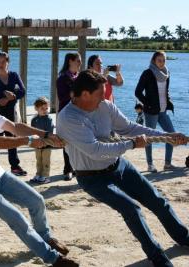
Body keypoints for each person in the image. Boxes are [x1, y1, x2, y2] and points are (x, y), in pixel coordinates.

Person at [57, 70, 189, 267]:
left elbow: (129, 128)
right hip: (92, 178)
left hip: (119, 166)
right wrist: (132, 145)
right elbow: (96, 151)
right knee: (132, 209)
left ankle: (184, 238)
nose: (104, 97)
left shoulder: (105, 105)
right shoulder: (68, 118)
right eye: (100, 94)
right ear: (84, 94)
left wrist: (167, 135)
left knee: (157, 200)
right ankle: (157, 257)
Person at [0, 77, 79, 267]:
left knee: (37, 201)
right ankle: (53, 259)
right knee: (17, 219)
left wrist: (44, 135)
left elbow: (14, 127)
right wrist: (27, 142)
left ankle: (45, 238)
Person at [135, 51, 177, 173]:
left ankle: (167, 164)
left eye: (163, 60)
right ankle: (150, 165)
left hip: (163, 111)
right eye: (159, 60)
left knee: (172, 135)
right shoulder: (147, 73)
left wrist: (168, 100)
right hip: (151, 112)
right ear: (154, 60)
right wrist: (147, 103)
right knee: (149, 138)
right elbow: (137, 92)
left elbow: (165, 90)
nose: (162, 62)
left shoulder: (166, 73)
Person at [0, 52, 27, 176]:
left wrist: (12, 96)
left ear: (8, 62)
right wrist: (1, 98)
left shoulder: (14, 75)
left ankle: (14, 166)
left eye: (3, 61)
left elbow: (22, 91)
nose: (1, 64)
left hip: (11, 111)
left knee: (12, 138)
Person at [56, 52, 81, 181]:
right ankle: (68, 169)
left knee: (78, 142)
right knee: (66, 142)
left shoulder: (79, 77)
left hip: (79, 113)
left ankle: (78, 167)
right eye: (78, 60)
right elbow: (62, 98)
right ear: (70, 61)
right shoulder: (62, 78)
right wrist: (74, 93)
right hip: (66, 114)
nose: (80, 63)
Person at [30, 97, 54, 184]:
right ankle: (38, 174)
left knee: (45, 160)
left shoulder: (49, 119)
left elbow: (49, 132)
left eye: (46, 108)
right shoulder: (34, 119)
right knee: (38, 160)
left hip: (46, 144)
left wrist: (43, 141)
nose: (45, 110)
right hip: (37, 144)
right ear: (36, 108)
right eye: (42, 108)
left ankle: (46, 176)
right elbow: (32, 131)